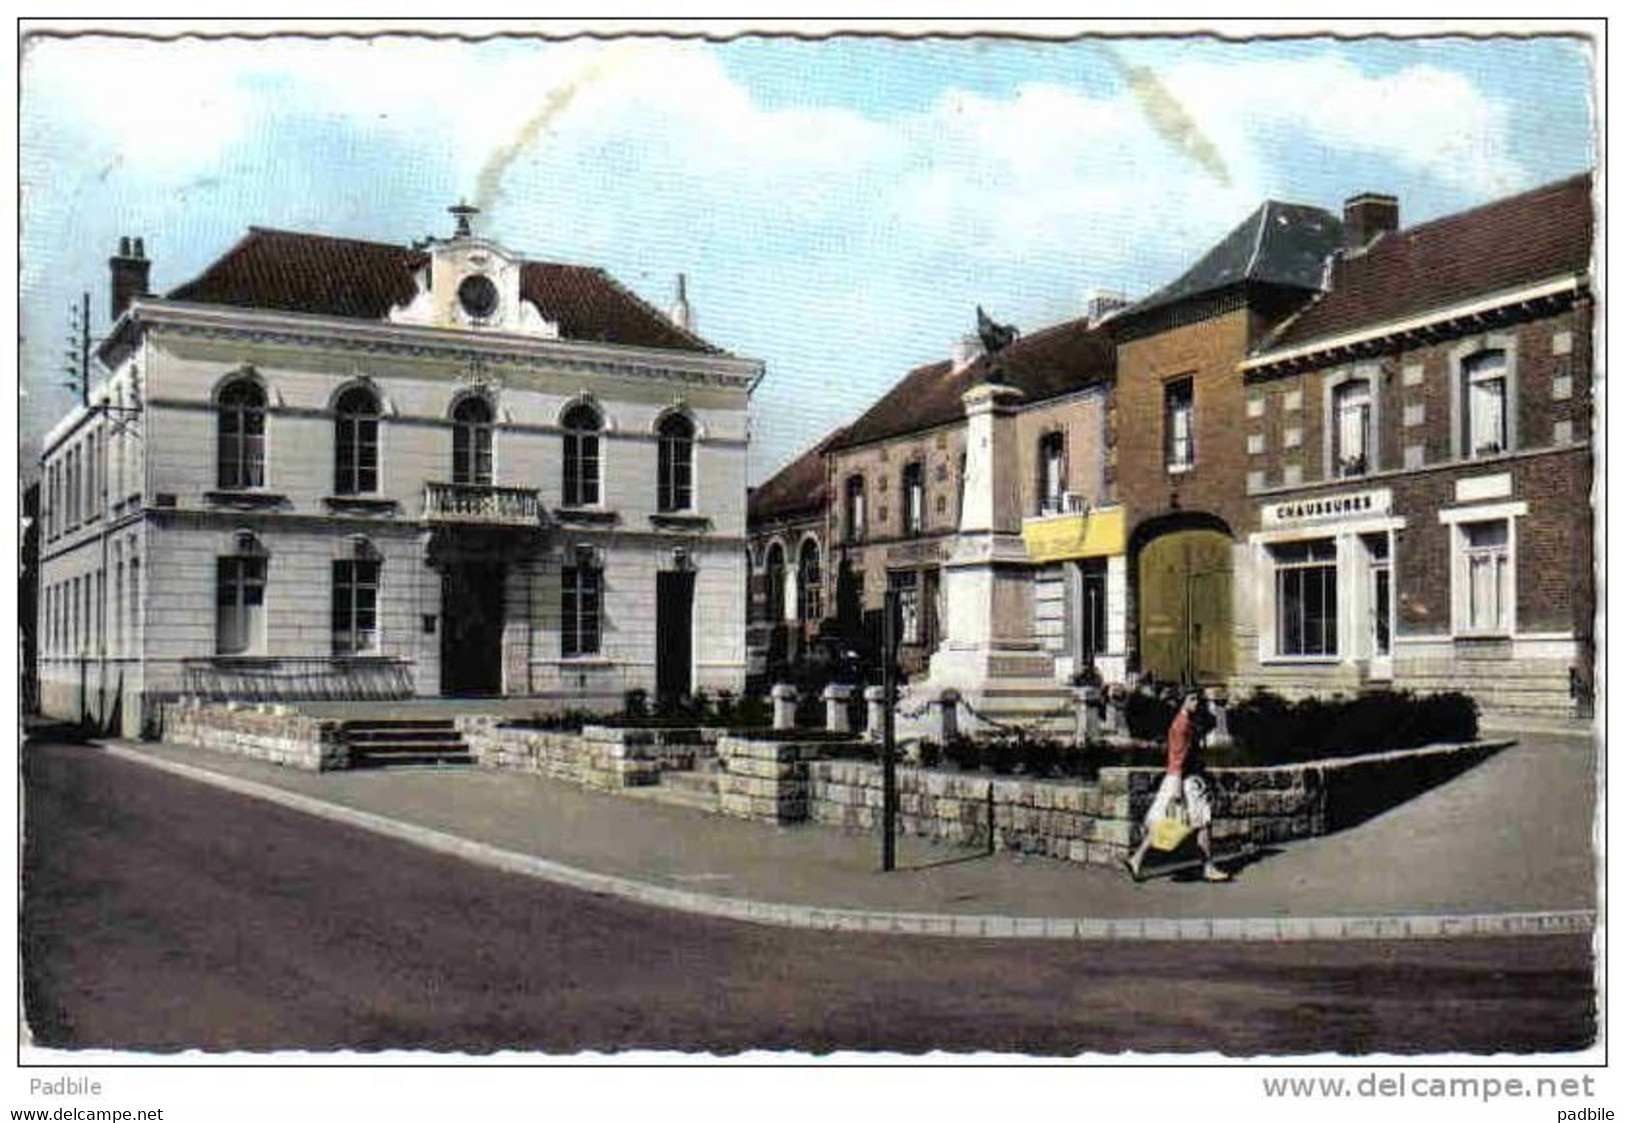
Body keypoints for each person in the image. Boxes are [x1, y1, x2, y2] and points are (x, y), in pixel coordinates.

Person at [1124, 689, 1231, 882]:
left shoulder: (1183, 722)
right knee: (1203, 821)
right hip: (1183, 779)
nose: (1196, 702)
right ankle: (1208, 867)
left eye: (1197, 699)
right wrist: (1177, 790)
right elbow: (1178, 759)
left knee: (1164, 821)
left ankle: (1137, 858)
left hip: (1176, 778)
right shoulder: (1182, 725)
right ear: (1183, 702)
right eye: (1192, 699)